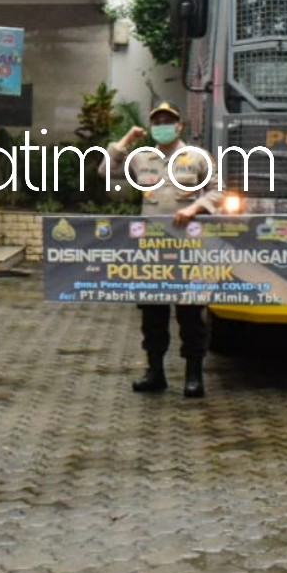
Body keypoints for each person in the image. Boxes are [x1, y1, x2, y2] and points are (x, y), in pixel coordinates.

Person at [100, 102, 221, 397]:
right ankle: (155, 372)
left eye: (168, 120)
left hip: (189, 248)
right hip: (151, 250)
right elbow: (105, 170)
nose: (163, 124)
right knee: (152, 315)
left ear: (179, 126)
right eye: (157, 121)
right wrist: (127, 139)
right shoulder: (141, 158)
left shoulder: (197, 157)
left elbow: (218, 191)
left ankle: (194, 376)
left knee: (191, 314)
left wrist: (195, 208)